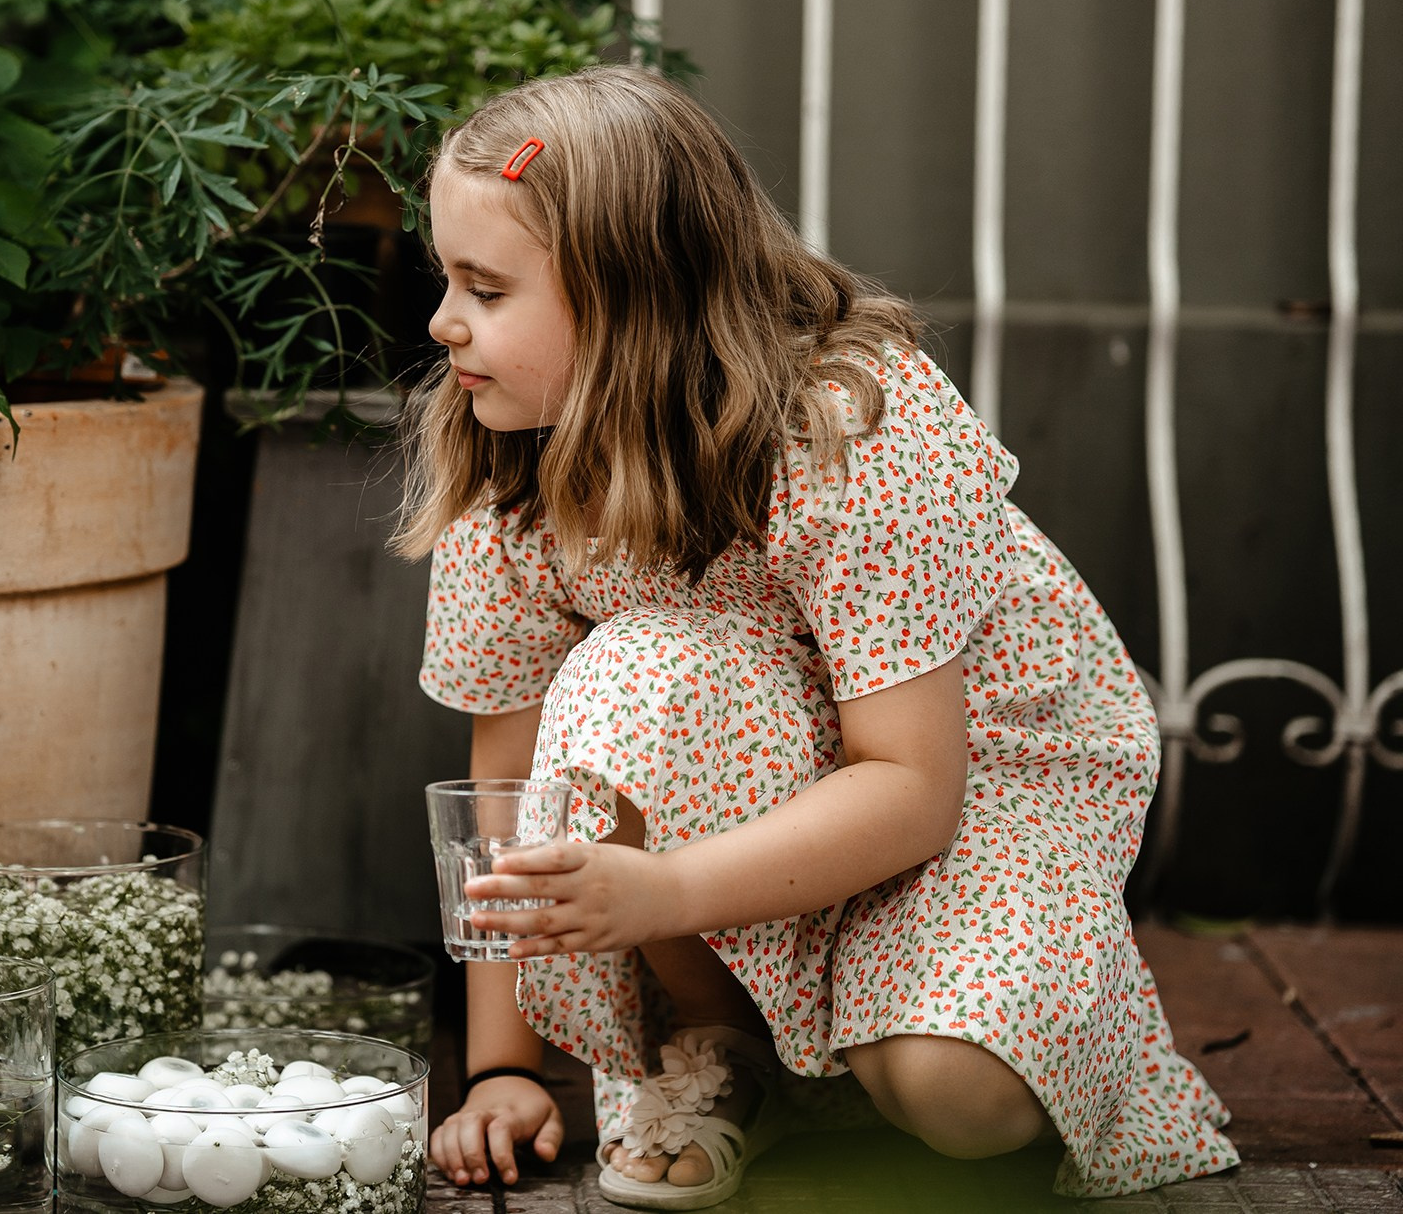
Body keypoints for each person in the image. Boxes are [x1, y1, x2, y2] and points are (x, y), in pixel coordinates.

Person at [394, 64, 1238, 1206]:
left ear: (634, 296)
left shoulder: (842, 424)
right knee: (635, 669)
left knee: (952, 1098)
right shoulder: (513, 464)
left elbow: (910, 785)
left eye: (483, 289)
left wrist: (662, 893)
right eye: (446, 279)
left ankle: (1009, 1024)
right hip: (746, 774)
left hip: (970, 783)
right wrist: (501, 1067)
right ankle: (729, 1048)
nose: (442, 321)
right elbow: (504, 789)